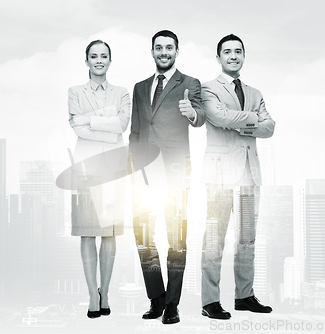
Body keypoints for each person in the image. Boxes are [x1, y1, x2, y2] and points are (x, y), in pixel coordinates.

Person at [129, 30, 205, 324]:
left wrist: (192, 113)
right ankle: (157, 298)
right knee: (143, 238)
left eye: (169, 47)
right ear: (152, 51)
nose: (164, 52)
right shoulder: (139, 87)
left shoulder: (189, 84)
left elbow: (198, 116)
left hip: (175, 173)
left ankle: (172, 305)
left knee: (176, 239)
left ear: (176, 51)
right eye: (158, 47)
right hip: (144, 173)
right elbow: (135, 130)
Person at [200, 34, 275, 320]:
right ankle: (210, 302)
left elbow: (270, 128)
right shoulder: (207, 87)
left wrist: (243, 122)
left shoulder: (255, 92)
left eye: (238, 51)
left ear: (244, 56)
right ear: (218, 57)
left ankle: (244, 295)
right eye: (227, 52)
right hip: (219, 176)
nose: (233, 56)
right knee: (214, 239)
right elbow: (218, 117)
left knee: (246, 239)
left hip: (248, 175)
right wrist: (252, 120)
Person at [68, 40, 130, 319]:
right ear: (86, 61)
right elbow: (76, 128)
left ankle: (105, 291)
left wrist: (91, 121)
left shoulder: (122, 92)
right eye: (94, 56)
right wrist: (107, 123)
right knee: (87, 231)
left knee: (110, 232)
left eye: (104, 56)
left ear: (110, 60)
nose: (99, 61)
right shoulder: (74, 92)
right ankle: (92, 294)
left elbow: (122, 126)